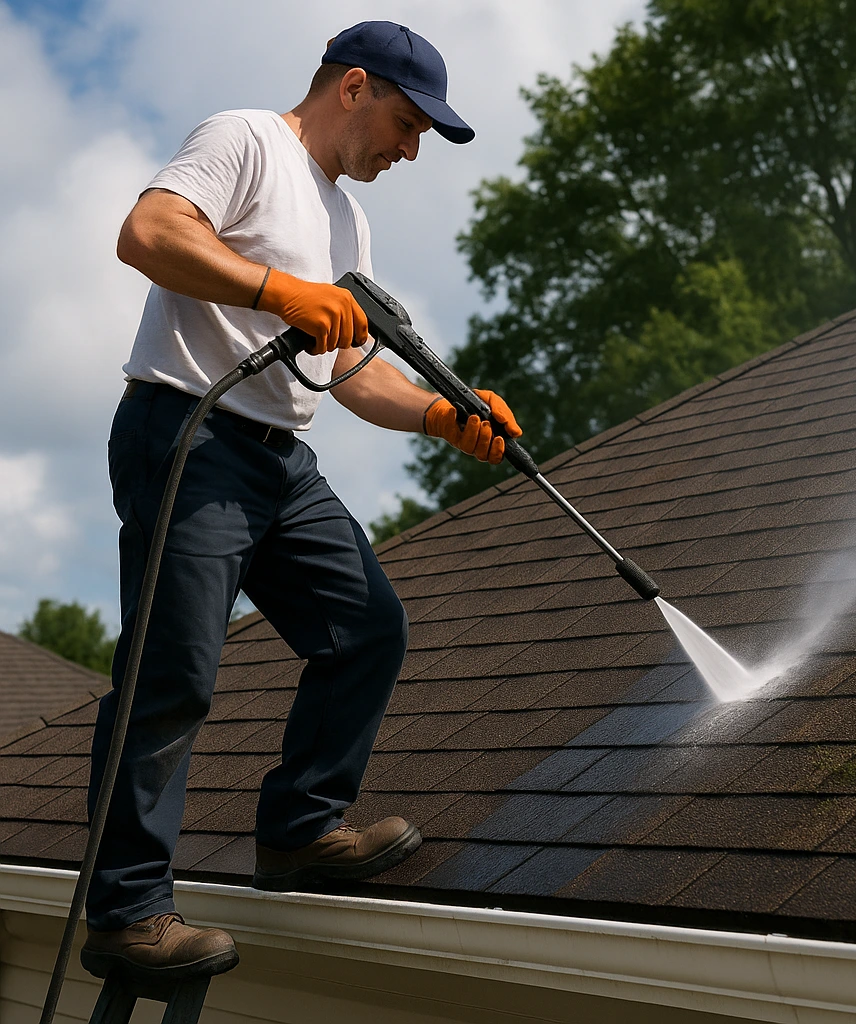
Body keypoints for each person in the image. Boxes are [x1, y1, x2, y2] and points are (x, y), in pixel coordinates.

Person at [81, 21, 521, 982]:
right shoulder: (244, 140)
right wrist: (279, 289)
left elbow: (354, 374)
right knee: (173, 675)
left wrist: (448, 416)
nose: (409, 151)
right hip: (188, 435)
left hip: (281, 463)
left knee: (368, 629)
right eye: (407, 126)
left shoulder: (348, 223)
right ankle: (125, 914)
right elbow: (147, 234)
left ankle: (298, 833)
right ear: (354, 86)